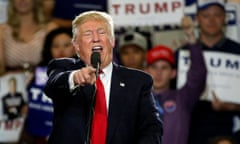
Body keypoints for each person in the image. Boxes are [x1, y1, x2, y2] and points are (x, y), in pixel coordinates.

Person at [44, 11, 163, 144]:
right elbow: (53, 85)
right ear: (76, 45)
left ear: (112, 41)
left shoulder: (138, 82)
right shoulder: (63, 67)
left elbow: (151, 128)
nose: (96, 38)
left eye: (102, 32)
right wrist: (75, 77)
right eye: (88, 34)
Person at [174, 1, 240, 144]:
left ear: (225, 18)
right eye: (206, 15)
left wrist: (231, 106)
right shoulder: (183, 53)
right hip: (191, 131)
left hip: (228, 132)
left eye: (217, 15)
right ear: (197, 19)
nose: (211, 20)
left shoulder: (237, 52)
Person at [145, 16, 207, 144]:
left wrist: (192, 39)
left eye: (164, 68)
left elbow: (198, 75)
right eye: (154, 67)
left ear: (173, 73)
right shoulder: (136, 99)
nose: (158, 73)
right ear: (146, 71)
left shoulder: (183, 98)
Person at [20, 27, 75, 144]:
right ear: (49, 49)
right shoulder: (40, 73)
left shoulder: (85, 74)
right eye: (55, 46)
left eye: (66, 45)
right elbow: (29, 99)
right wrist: (27, 107)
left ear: (76, 47)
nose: (61, 50)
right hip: (40, 135)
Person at [0, 0, 58, 75]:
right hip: (11, 83)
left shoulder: (50, 28)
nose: (22, 1)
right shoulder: (2, 30)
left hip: (44, 82)